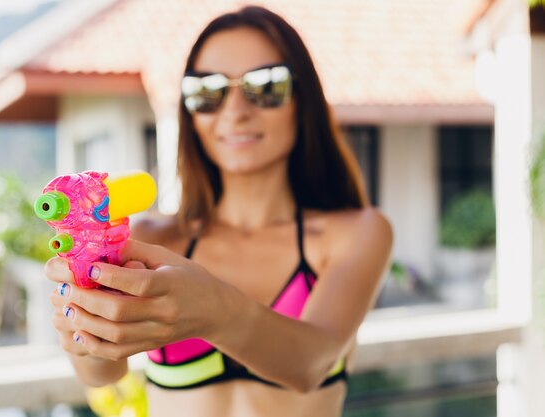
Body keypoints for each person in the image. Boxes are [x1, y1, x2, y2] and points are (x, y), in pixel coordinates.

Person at [45, 6, 393, 417]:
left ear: (305, 100)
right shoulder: (155, 237)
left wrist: (215, 311)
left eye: (265, 85)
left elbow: (310, 365)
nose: (234, 111)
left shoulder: (356, 232)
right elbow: (102, 374)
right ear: (190, 112)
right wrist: (85, 322)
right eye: (208, 91)